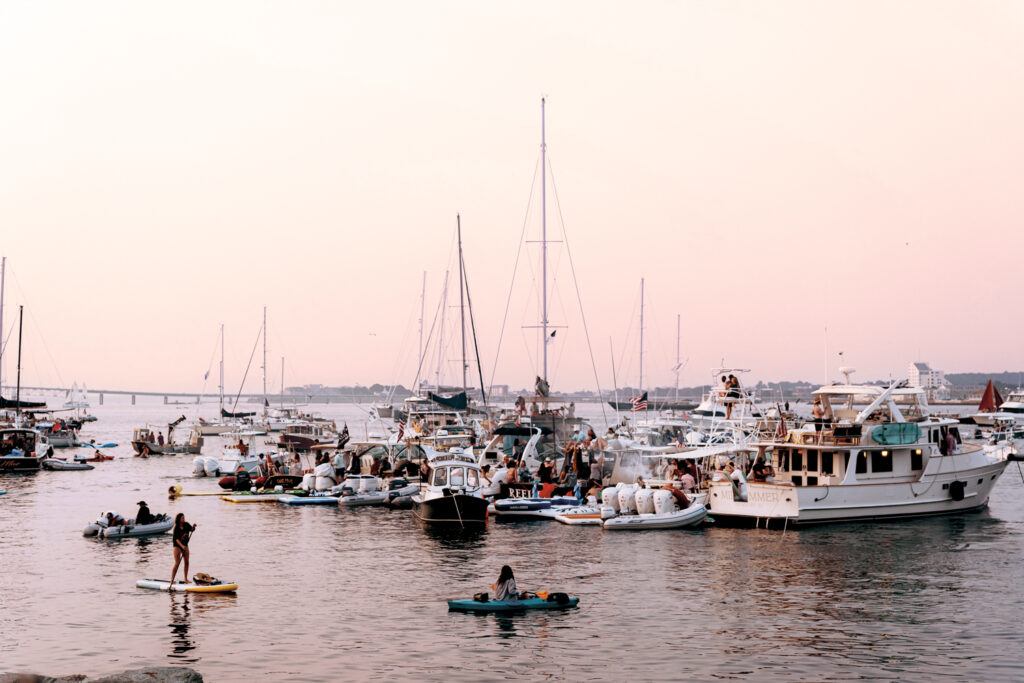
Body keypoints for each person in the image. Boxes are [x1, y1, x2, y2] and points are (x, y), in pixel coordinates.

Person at [170, 513, 196, 585]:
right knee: (177, 563)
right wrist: (182, 546)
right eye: (182, 518)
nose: (183, 519)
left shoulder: (186, 524)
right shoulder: (176, 528)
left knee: (187, 562)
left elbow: (192, 530)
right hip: (177, 546)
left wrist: (193, 527)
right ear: (178, 519)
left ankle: (185, 579)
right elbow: (176, 539)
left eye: (184, 517)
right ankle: (172, 579)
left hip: (185, 545)